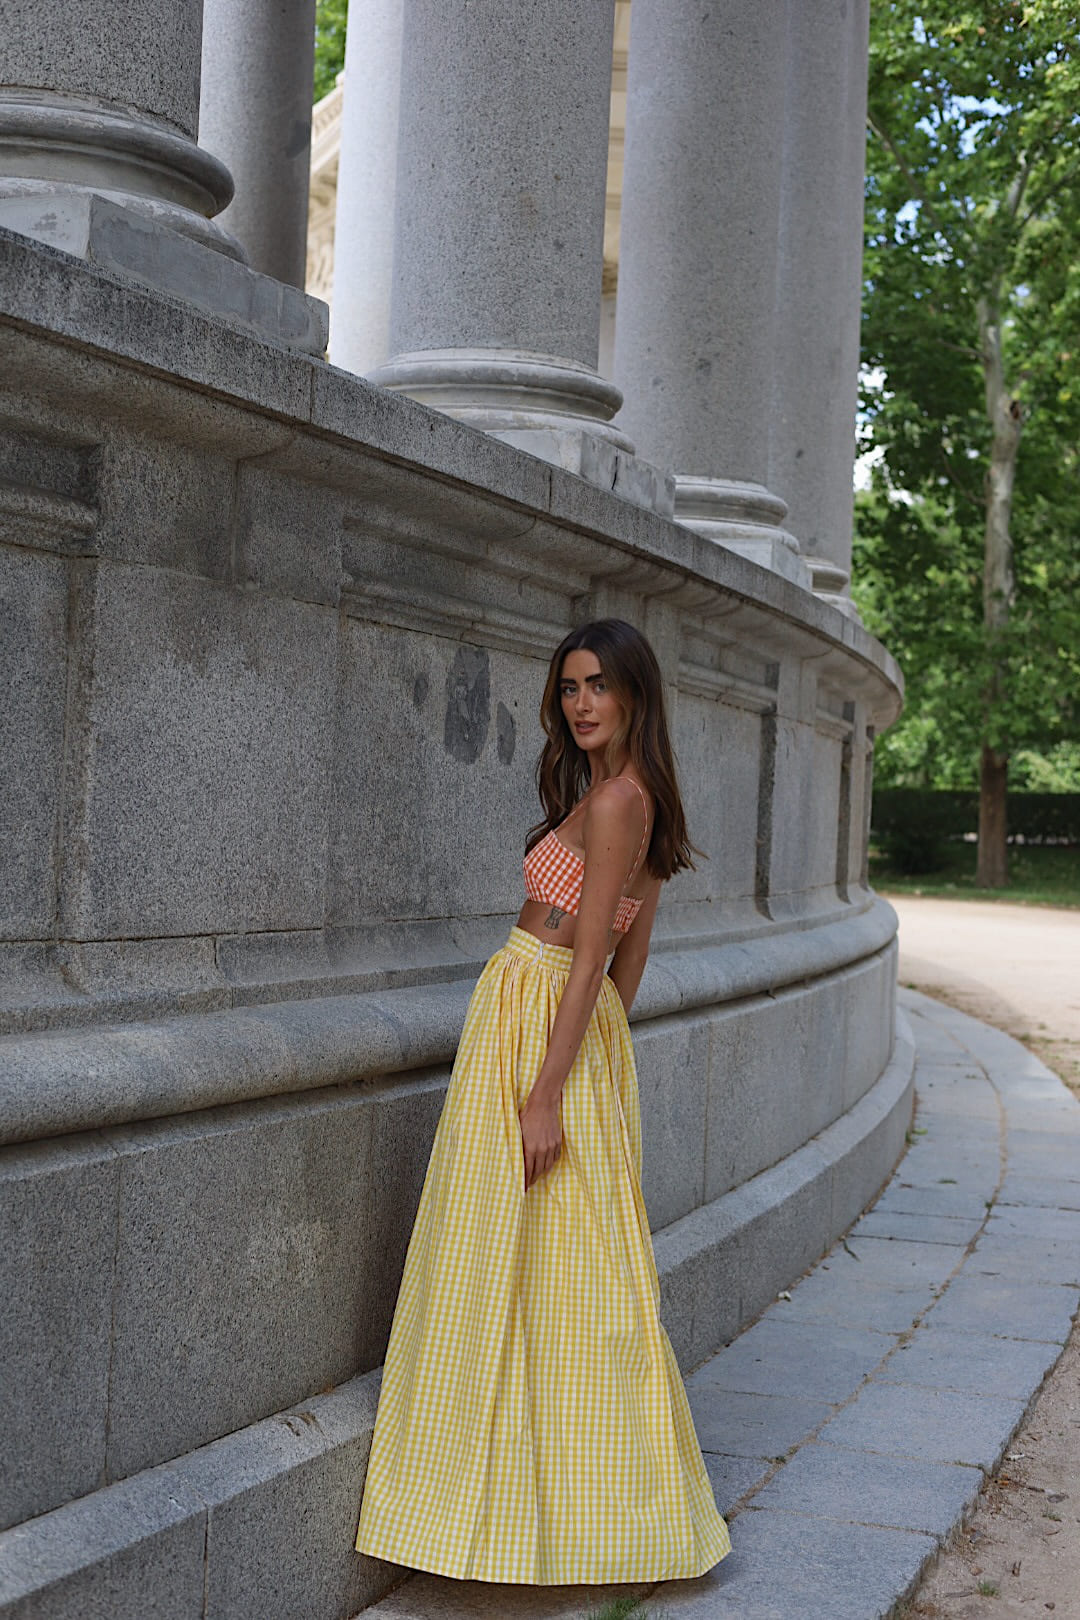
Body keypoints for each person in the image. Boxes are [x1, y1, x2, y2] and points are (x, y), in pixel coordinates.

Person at [354, 618, 731, 1584]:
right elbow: (626, 967)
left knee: (512, 1253)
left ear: (636, 692)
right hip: (554, 1025)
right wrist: (595, 1053)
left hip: (539, 1024)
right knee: (570, 1267)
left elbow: (597, 954)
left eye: (598, 685)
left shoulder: (617, 805)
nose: (581, 703)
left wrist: (547, 1090)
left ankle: (512, 1515)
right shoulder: (633, 802)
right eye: (569, 687)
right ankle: (586, 1518)